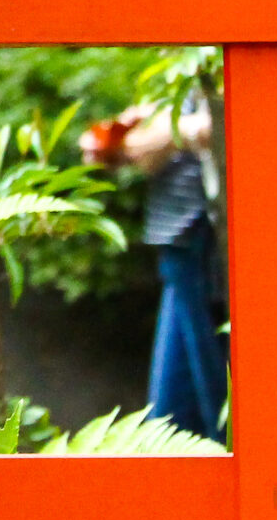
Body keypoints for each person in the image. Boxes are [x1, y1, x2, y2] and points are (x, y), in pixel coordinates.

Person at [82, 101, 226, 441]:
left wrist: (172, 133)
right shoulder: (181, 61)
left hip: (208, 240)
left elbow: (242, 116)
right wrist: (129, 135)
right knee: (169, 431)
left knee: (222, 429)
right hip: (180, 242)